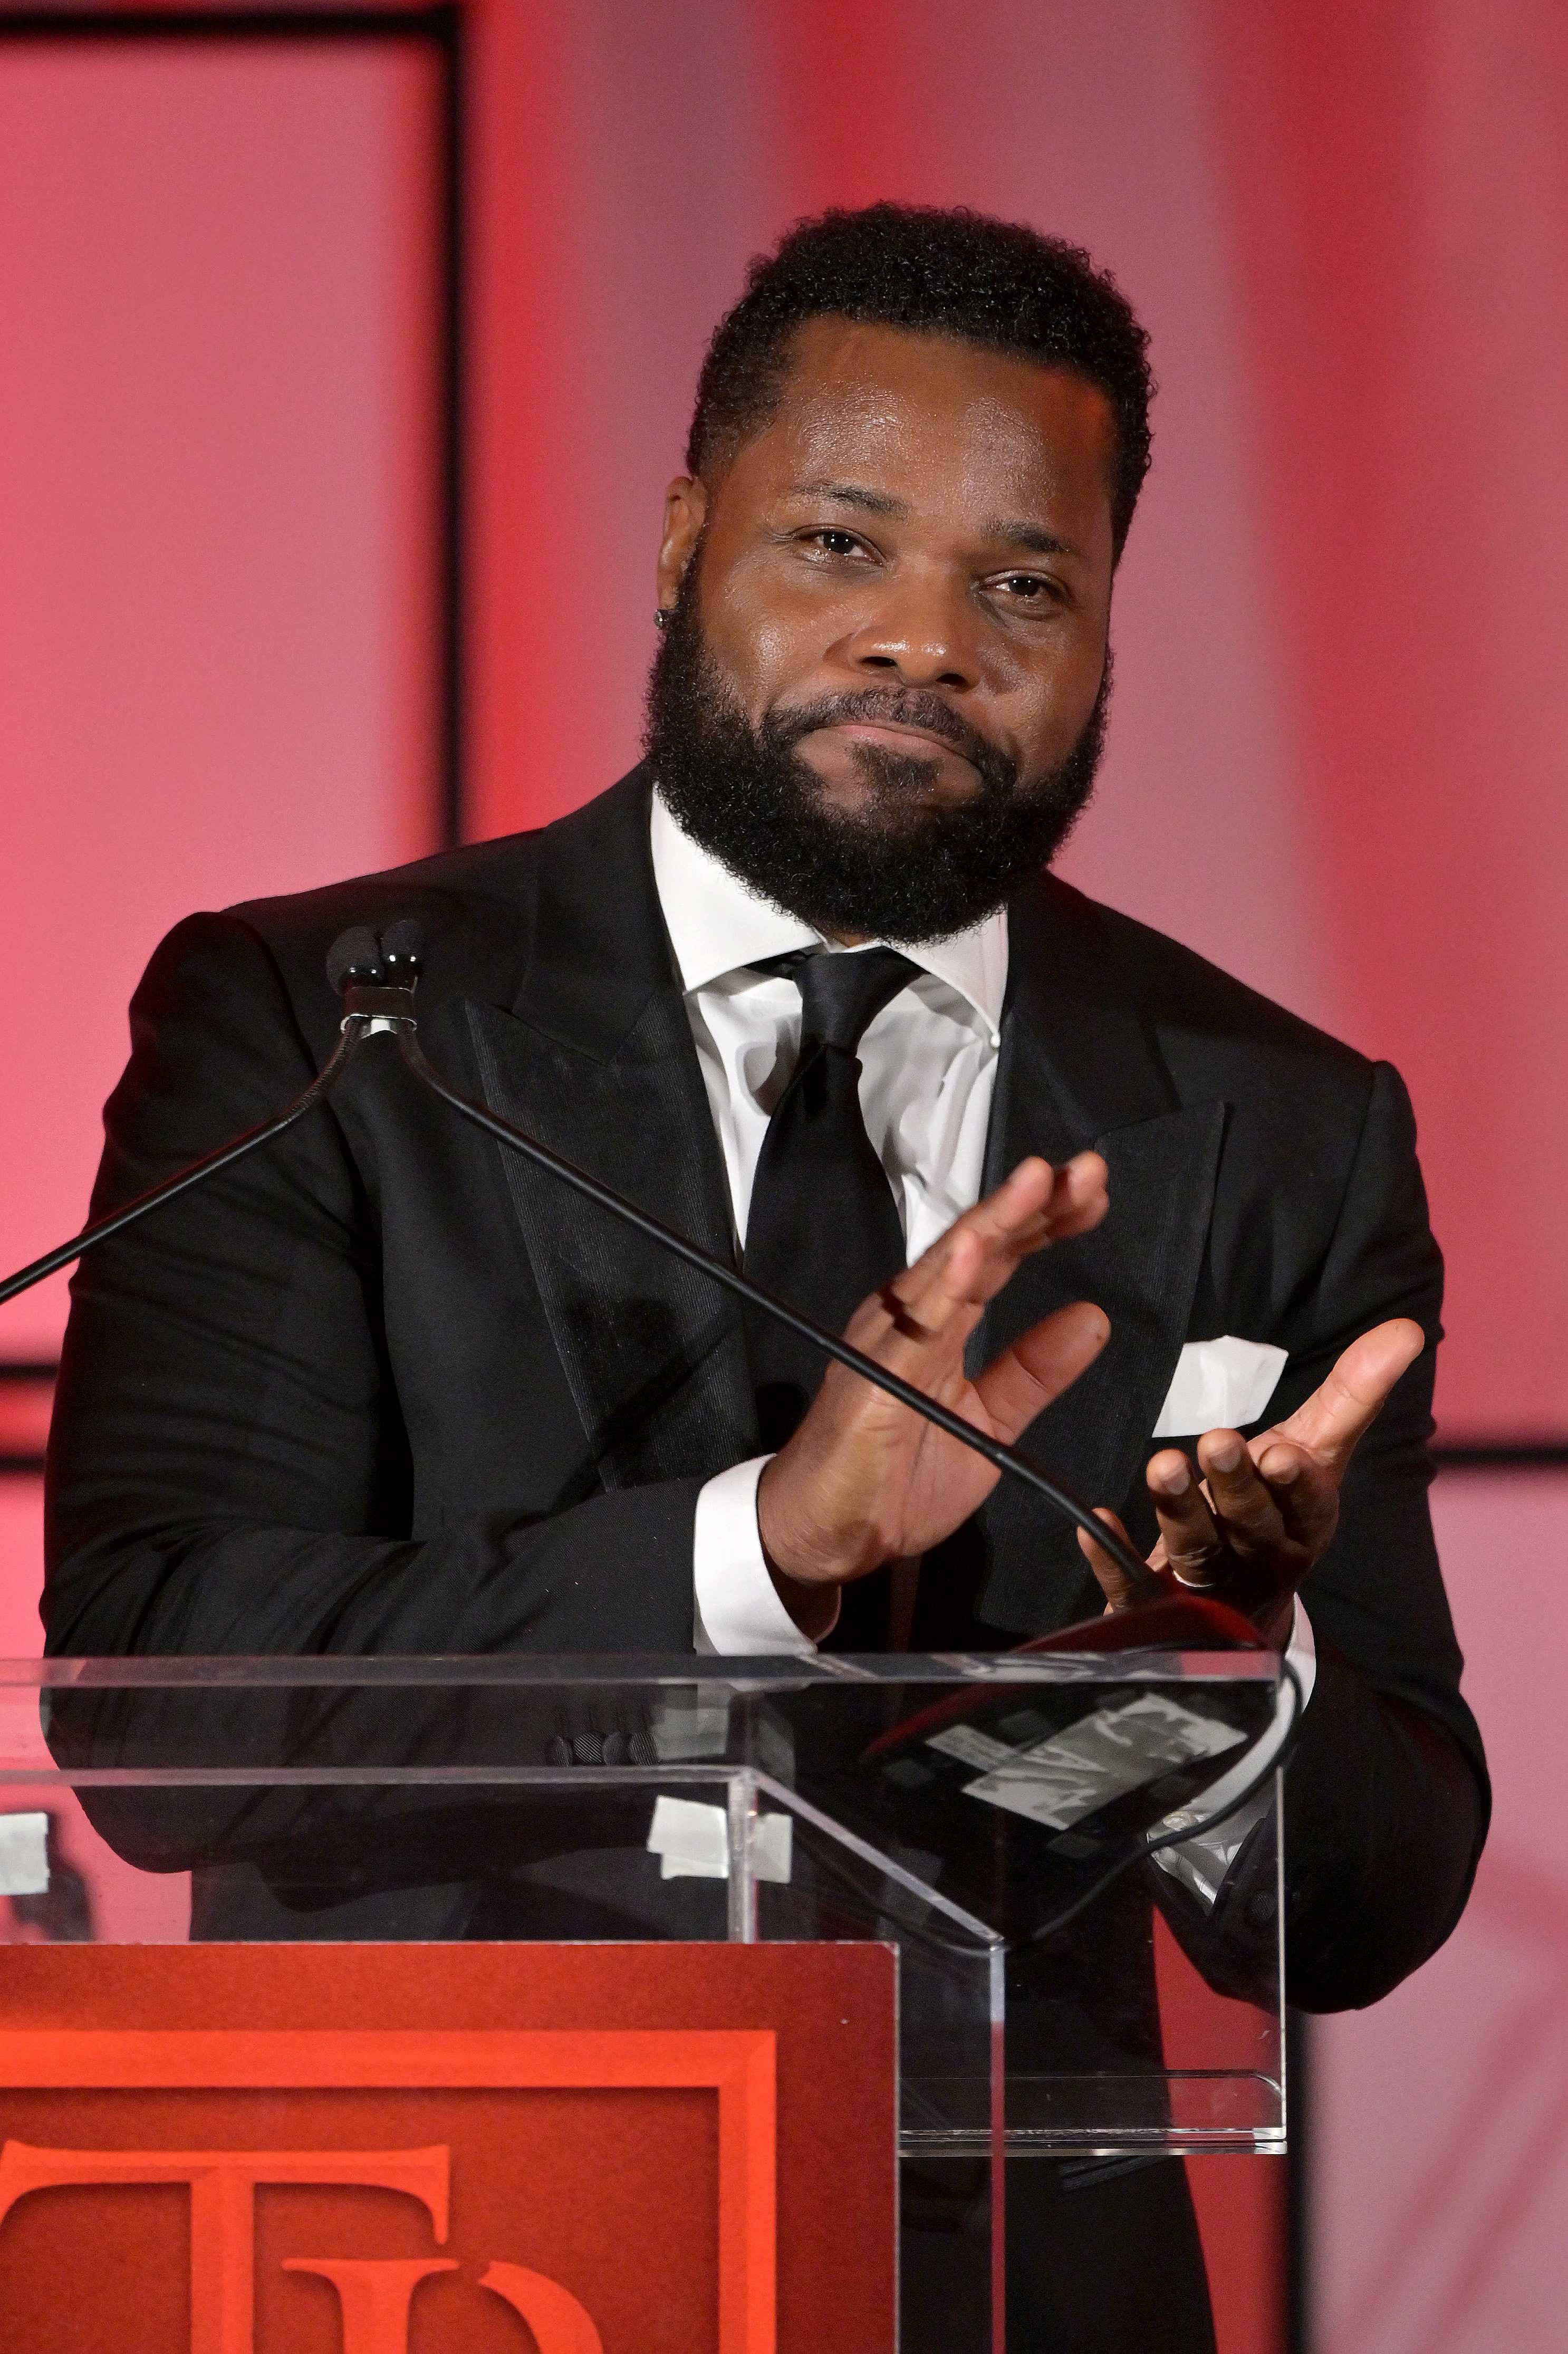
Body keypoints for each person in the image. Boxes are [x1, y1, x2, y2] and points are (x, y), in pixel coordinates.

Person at [44, 205, 1486, 2350]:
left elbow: (1365, 1907)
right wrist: (754, 1553)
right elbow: (165, 1700)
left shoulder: (1272, 1122)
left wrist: (1224, 1664)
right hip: (439, 2261)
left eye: (1025, 581)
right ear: (684, 538)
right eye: (839, 543)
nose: (928, 639)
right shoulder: (332, 1022)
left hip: (1022, 2292)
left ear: (1108, 631)